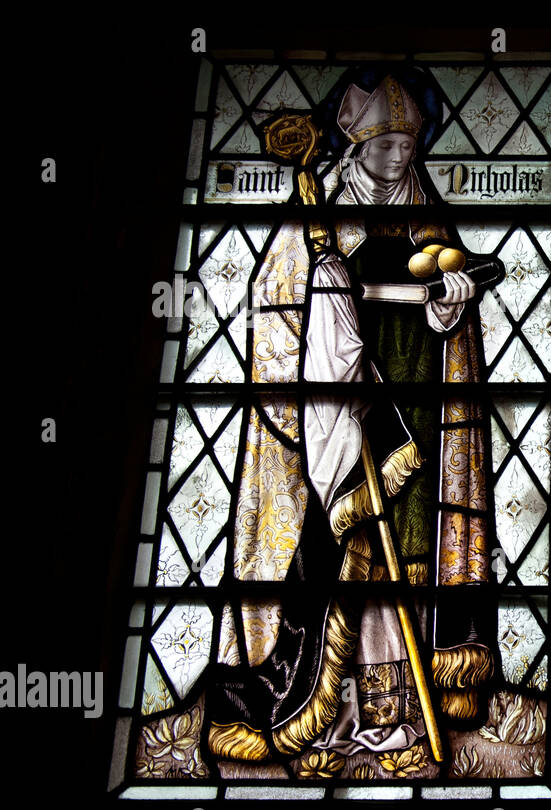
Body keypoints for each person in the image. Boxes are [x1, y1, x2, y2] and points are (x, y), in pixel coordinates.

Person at [205, 76, 496, 774]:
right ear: (358, 142)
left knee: (407, 556)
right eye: (387, 142)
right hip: (331, 422)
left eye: (410, 142)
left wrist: (448, 308)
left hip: (414, 411)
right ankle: (324, 721)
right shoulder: (316, 216)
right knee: (333, 557)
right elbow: (276, 311)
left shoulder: (428, 217)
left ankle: (393, 723)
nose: (400, 156)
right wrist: (334, 334)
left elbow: (453, 335)